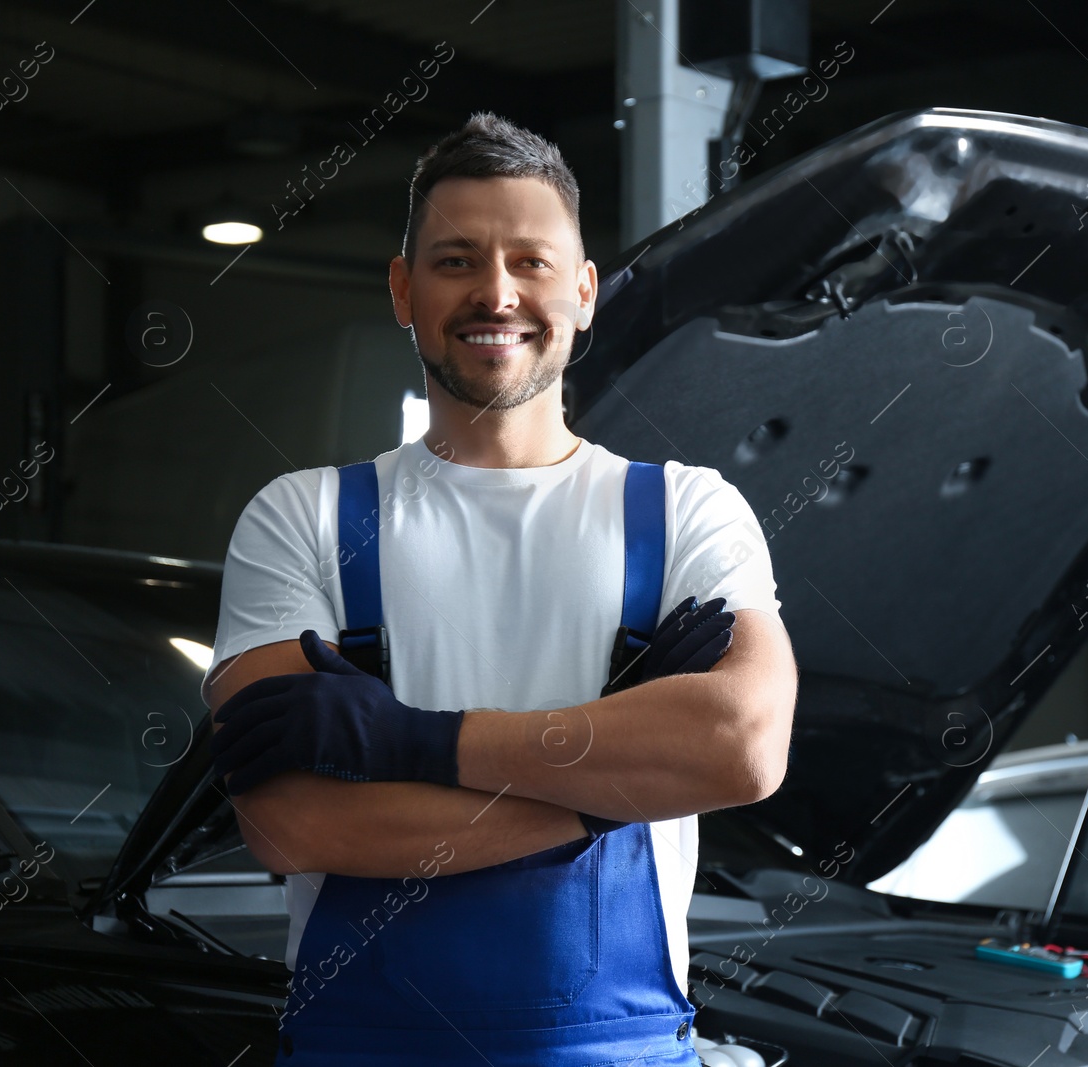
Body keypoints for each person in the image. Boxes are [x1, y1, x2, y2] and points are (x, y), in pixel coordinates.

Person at [200, 111, 798, 1066]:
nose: (497, 291)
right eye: (455, 260)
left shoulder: (687, 511)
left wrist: (415, 742)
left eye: (531, 260)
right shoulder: (304, 518)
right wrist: (613, 792)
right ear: (402, 288)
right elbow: (290, 820)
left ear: (586, 291)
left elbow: (743, 745)